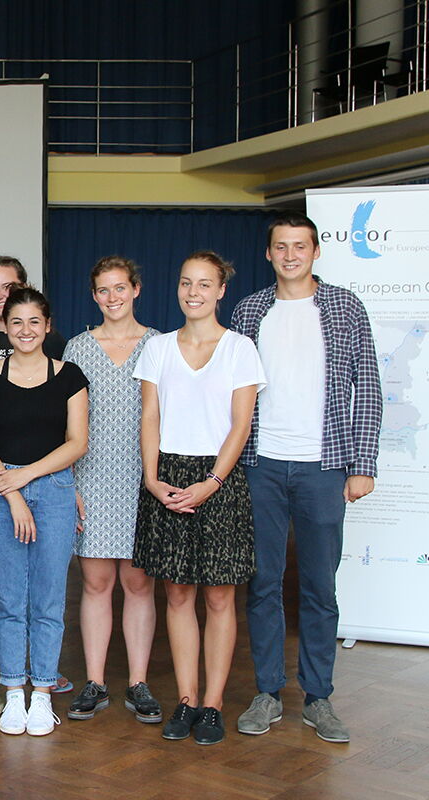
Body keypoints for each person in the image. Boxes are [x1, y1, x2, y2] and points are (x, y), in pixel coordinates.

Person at [232, 213, 381, 744]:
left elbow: (368, 385)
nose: (290, 255)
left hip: (325, 465)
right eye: (280, 247)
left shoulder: (344, 307)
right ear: (268, 253)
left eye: (300, 246)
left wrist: (362, 464)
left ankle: (319, 699)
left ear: (316, 251)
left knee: (320, 586)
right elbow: (235, 392)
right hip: (261, 465)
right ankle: (268, 692)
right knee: (263, 584)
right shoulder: (249, 310)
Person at [133, 251, 266, 746]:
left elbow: (241, 424)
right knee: (179, 594)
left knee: (219, 595)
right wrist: (151, 478)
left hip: (219, 478)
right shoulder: (159, 348)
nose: (194, 292)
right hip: (167, 476)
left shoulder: (240, 349)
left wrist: (212, 481)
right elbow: (149, 417)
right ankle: (186, 700)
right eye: (186, 282)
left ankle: (213, 705)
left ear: (220, 290)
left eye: (204, 284)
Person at [0, 286, 88, 737]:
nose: (25, 330)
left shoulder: (70, 375)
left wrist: (28, 477)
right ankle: (13, 694)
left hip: (55, 490)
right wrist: (13, 492)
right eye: (16, 322)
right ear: (6, 325)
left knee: (48, 599)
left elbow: (77, 443)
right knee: (9, 600)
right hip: (1, 492)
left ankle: (42, 694)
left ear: (48, 326)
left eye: (34, 322)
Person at [62, 256, 162, 724]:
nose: (112, 297)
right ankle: (96, 681)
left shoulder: (161, 345)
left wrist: (160, 477)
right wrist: (70, 484)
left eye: (120, 288)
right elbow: (66, 426)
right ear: (94, 295)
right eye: (103, 290)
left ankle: (138, 683)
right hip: (91, 479)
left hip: (144, 479)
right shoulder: (79, 349)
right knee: (97, 584)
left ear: (136, 289)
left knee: (138, 583)